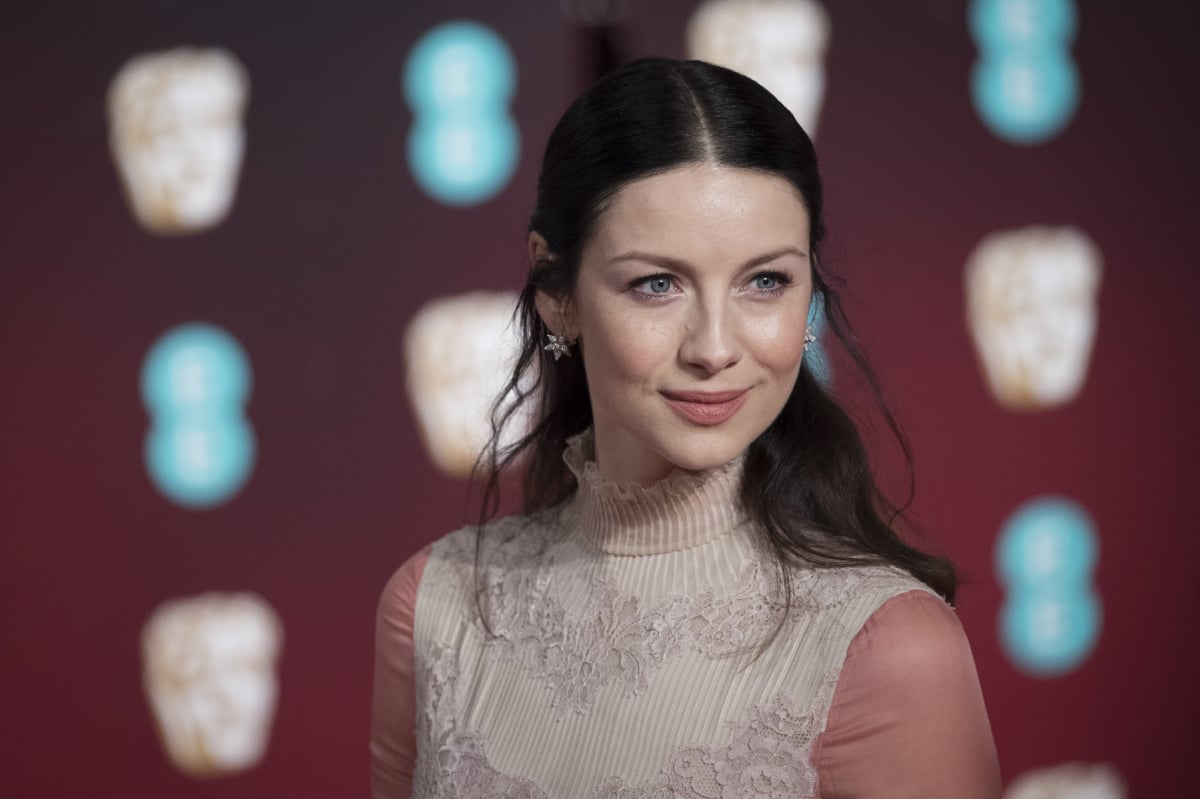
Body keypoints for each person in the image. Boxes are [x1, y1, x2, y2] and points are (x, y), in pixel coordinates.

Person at [371, 57, 1001, 798]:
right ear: (555, 292)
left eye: (765, 281)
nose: (714, 347)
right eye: (657, 284)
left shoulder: (889, 646)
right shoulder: (436, 606)